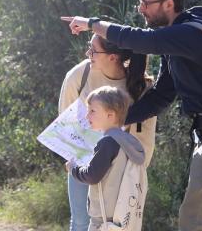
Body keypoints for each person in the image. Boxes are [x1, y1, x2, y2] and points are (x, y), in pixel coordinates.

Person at [62, 0, 202, 231]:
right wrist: (115, 120)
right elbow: (161, 97)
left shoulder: (190, 33)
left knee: (195, 222)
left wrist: (92, 24)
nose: (141, 9)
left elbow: (141, 40)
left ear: (168, 4)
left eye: (145, 3)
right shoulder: (177, 46)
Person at [59, 34, 156, 231]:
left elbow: (145, 136)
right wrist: (72, 159)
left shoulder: (140, 85)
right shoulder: (79, 75)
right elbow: (64, 118)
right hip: (82, 159)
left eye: (93, 50)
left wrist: (137, 172)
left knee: (115, 225)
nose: (88, 53)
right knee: (80, 222)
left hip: (119, 172)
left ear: (113, 56)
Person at [66, 86, 146, 231]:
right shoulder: (129, 141)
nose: (87, 116)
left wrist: (73, 169)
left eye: (92, 111)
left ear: (110, 115)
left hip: (103, 220)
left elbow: (92, 176)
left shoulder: (107, 142)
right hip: (123, 216)